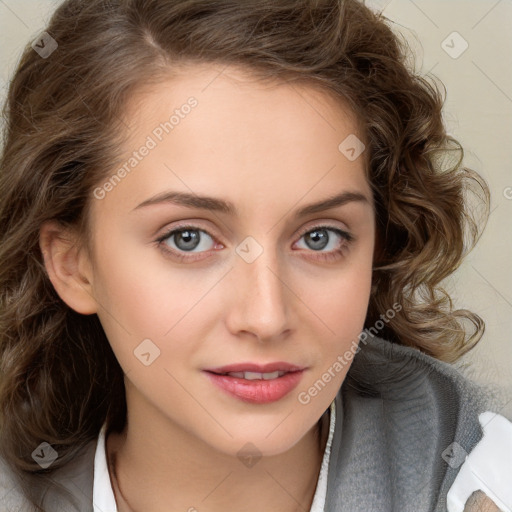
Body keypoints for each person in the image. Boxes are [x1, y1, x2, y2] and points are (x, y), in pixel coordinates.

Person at [0, 0, 510, 511]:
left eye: (319, 237)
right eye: (188, 239)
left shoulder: (485, 478)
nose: (266, 317)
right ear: (74, 264)